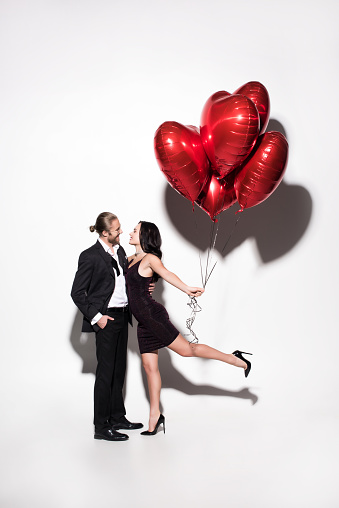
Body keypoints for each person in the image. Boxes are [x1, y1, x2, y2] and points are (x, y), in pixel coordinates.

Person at [126, 221, 252, 436]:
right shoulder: (128, 259)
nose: (130, 232)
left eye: (135, 230)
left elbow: (167, 274)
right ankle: (155, 418)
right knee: (149, 368)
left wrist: (186, 288)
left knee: (187, 350)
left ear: (145, 235)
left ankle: (235, 358)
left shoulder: (150, 259)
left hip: (152, 316)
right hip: (142, 321)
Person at [71, 212, 143, 441]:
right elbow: (77, 293)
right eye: (117, 229)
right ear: (104, 233)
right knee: (105, 373)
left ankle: (117, 417)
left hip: (123, 316)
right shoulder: (89, 256)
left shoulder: (120, 251)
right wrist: (97, 317)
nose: (121, 231)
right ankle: (101, 427)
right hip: (106, 318)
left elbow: (124, 280)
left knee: (119, 369)